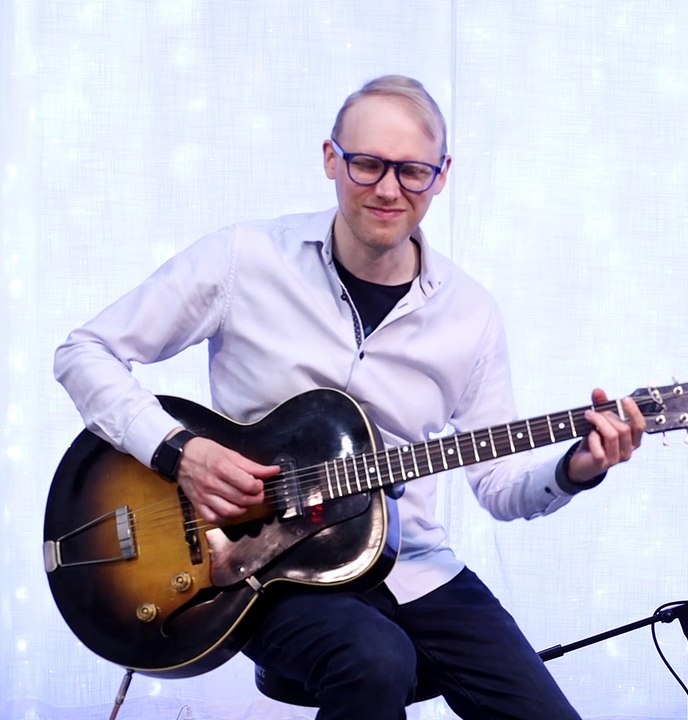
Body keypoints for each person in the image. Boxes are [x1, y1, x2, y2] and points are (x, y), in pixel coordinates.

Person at [53, 74, 644, 719]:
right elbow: (84, 352)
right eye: (367, 164)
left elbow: (499, 487)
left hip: (414, 566)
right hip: (259, 567)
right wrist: (179, 452)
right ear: (332, 159)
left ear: (441, 175)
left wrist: (576, 469)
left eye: (412, 171)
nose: (389, 189)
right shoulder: (242, 260)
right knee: (373, 659)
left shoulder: (471, 315)